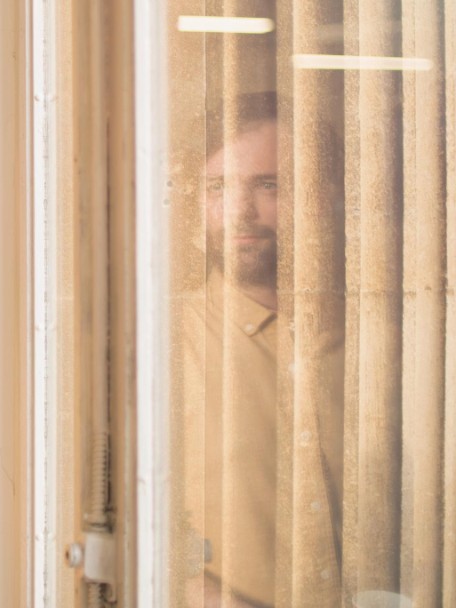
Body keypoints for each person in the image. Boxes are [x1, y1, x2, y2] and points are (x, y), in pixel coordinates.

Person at [175, 92, 343, 608]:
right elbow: (137, 533)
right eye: (218, 187)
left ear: (328, 194)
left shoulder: (383, 345)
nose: (240, 212)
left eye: (269, 186)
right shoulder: (165, 344)